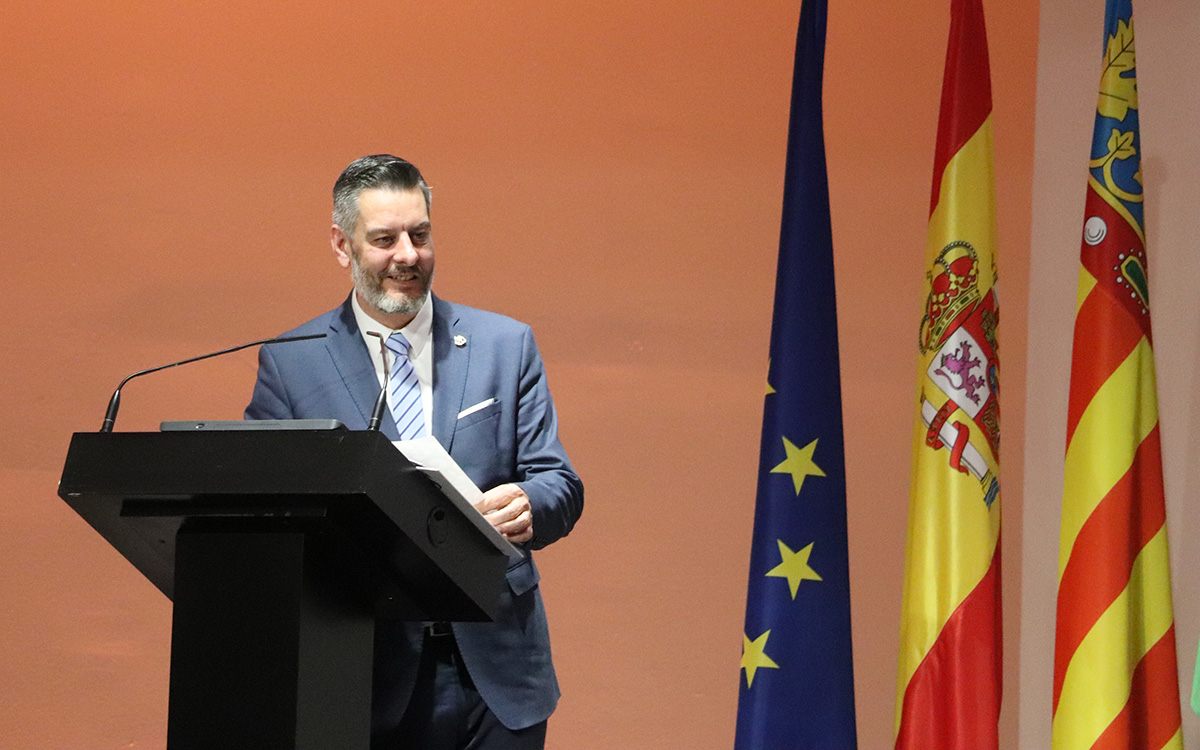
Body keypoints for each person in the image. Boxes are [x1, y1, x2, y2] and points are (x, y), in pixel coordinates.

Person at [245, 154, 584, 749]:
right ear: (341, 244)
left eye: (420, 235)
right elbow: (263, 509)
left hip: (500, 675)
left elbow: (558, 481)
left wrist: (529, 503)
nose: (408, 255)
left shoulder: (505, 344)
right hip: (366, 676)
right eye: (385, 239)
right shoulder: (291, 362)